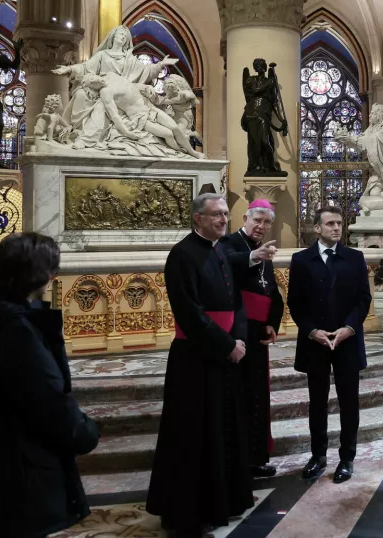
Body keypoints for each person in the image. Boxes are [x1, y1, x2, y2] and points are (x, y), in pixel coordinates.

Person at [146, 193, 277, 537]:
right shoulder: (182, 255)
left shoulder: (220, 249)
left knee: (222, 430)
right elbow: (190, 314)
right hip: (195, 359)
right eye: (216, 215)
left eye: (224, 214)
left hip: (224, 355)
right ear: (197, 219)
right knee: (195, 435)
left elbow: (234, 302)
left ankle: (224, 500)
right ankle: (189, 511)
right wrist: (226, 345)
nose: (223, 219)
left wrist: (239, 339)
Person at [0, 233, 99, 538]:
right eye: (51, 269)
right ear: (37, 276)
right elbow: (46, 399)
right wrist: (85, 431)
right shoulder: (14, 330)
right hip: (21, 470)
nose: (53, 276)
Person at [287, 206, 372, 484]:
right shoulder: (301, 260)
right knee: (317, 403)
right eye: (330, 223)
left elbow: (363, 299)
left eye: (339, 223)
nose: (336, 228)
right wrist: (312, 331)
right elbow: (295, 303)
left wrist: (349, 327)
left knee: (349, 403)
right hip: (316, 342)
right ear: (317, 228)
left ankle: (347, 458)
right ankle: (318, 456)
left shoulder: (354, 258)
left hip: (347, 341)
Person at [220, 199, 285, 478]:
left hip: (258, 332)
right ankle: (238, 459)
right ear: (245, 217)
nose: (261, 226)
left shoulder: (264, 251)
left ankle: (257, 457)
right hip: (236, 333)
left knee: (258, 394)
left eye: (267, 222)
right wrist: (255, 256)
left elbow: (271, 290)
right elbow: (225, 263)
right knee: (241, 395)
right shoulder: (228, 243)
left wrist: (272, 322)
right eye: (257, 220)